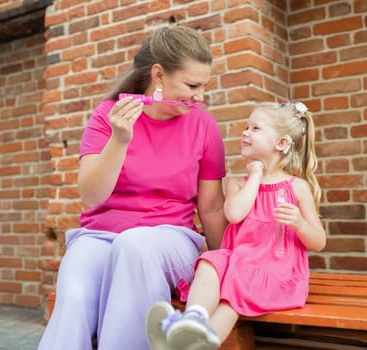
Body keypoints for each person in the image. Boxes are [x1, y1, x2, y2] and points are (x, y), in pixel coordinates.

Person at [37, 25, 227, 350]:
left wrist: (227, 261)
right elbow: (92, 195)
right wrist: (119, 140)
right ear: (158, 75)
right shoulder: (106, 117)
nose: (200, 96)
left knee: (135, 244)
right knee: (73, 298)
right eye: (192, 85)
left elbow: (209, 207)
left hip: (170, 239)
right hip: (99, 237)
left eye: (204, 86)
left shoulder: (204, 127)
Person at [146, 101, 327, 350]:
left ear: (281, 144)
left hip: (276, 276)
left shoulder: (297, 188)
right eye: (246, 127)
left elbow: (319, 241)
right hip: (239, 264)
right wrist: (255, 176)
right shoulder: (238, 184)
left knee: (233, 294)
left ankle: (195, 342)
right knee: (210, 261)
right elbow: (234, 214)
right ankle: (191, 321)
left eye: (255, 128)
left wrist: (300, 224)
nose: (245, 132)